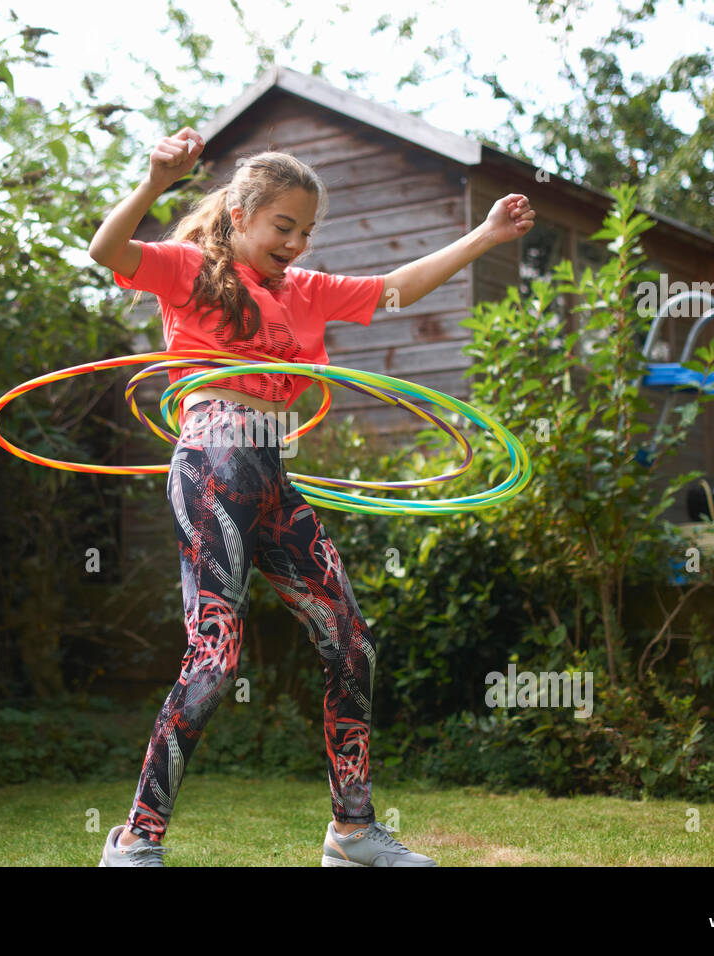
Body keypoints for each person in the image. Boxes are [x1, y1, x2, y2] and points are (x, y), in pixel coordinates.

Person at [88, 127, 535, 866]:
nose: (295, 242)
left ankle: (352, 832)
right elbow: (107, 253)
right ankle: (136, 838)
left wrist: (484, 235)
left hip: (271, 474)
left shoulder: (308, 292)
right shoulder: (191, 271)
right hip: (212, 459)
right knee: (215, 658)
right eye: (282, 225)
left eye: (306, 230)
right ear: (240, 216)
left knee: (351, 643)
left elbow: (398, 288)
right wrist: (152, 184)